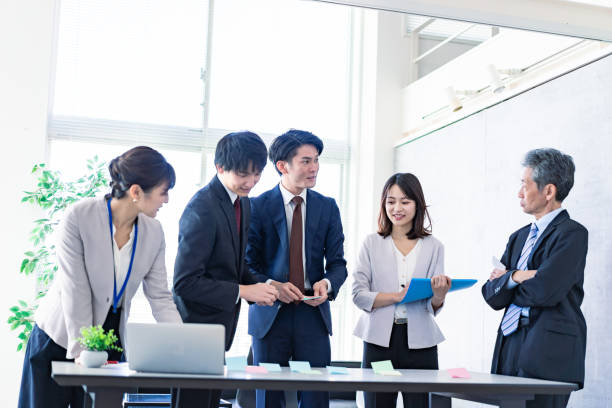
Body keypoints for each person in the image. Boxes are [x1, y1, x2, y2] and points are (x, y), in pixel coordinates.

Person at [18, 146, 183, 408]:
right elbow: (75, 289)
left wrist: (183, 345)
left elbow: (160, 296)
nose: (166, 200)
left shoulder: (154, 232)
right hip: (59, 337)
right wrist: (83, 351)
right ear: (136, 192)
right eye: (163, 192)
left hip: (109, 339)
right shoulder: (79, 216)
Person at [172, 131, 278, 408]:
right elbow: (185, 283)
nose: (251, 182)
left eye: (257, 174)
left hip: (218, 329)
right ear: (220, 167)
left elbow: (234, 262)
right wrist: (244, 291)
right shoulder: (202, 208)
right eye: (244, 174)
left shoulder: (241, 201)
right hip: (195, 329)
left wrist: (266, 285)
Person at [246, 129, 347, 408]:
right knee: (268, 399)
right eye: (305, 161)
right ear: (282, 166)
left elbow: (338, 264)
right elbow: (246, 264)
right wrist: (271, 285)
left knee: (316, 397)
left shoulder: (327, 207)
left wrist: (327, 284)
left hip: (312, 315)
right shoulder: (256, 206)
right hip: (268, 315)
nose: (314, 167)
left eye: (316, 160)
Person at [482, 148, 587, 408]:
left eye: (524, 184)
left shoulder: (572, 234)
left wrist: (508, 280)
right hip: (510, 345)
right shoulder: (518, 237)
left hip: (549, 351)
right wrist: (519, 275)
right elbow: (491, 295)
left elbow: (545, 291)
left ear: (548, 191)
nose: (519, 193)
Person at [352, 172, 451, 408]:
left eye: (405, 201)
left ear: (418, 204)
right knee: (379, 404)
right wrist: (397, 297)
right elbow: (358, 294)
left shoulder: (434, 247)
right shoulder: (371, 243)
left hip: (421, 346)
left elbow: (432, 305)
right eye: (391, 201)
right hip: (379, 343)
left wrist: (439, 295)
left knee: (419, 404)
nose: (397, 208)